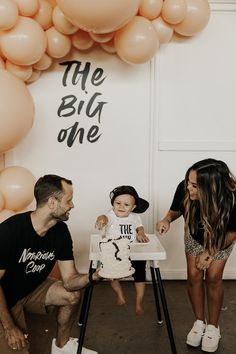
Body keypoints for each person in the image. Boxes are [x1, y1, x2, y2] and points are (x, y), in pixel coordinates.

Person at [0, 174, 100, 354]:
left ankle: (61, 347)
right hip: (4, 300)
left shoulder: (60, 231)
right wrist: (9, 326)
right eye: (69, 200)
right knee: (17, 347)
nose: (72, 205)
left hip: (30, 289)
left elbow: (70, 281)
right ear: (52, 202)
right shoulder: (9, 230)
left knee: (72, 295)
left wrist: (96, 276)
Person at [156, 158, 236, 353]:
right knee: (193, 277)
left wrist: (210, 251)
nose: (189, 188)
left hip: (221, 236)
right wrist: (166, 220)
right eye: (188, 183)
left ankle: (213, 327)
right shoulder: (184, 188)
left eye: (194, 186)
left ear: (212, 188)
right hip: (194, 233)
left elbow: (232, 232)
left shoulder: (233, 198)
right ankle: (200, 322)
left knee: (214, 278)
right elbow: (175, 211)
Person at [95, 185, 149, 315]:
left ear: (133, 207)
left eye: (126, 204)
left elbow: (139, 228)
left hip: (132, 251)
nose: (121, 207)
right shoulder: (111, 215)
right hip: (116, 253)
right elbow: (105, 217)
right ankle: (119, 293)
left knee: (140, 275)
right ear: (113, 204)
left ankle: (138, 301)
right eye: (117, 203)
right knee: (112, 275)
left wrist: (141, 233)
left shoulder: (135, 217)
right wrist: (101, 219)